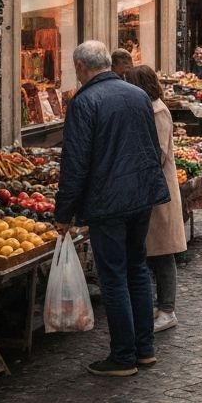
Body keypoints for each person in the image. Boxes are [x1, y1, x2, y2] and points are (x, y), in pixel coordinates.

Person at [54, 41, 169, 376]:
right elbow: (150, 148)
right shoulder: (136, 95)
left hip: (108, 202)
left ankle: (122, 356)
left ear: (80, 66)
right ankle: (144, 349)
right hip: (140, 197)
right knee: (136, 269)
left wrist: (63, 214)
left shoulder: (84, 102)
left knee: (114, 276)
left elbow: (74, 164)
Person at [123, 66, 186, 334]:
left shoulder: (158, 112)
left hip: (158, 191)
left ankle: (167, 309)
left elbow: (157, 153)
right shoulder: (146, 109)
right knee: (152, 251)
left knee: (163, 252)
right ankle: (158, 306)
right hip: (147, 189)